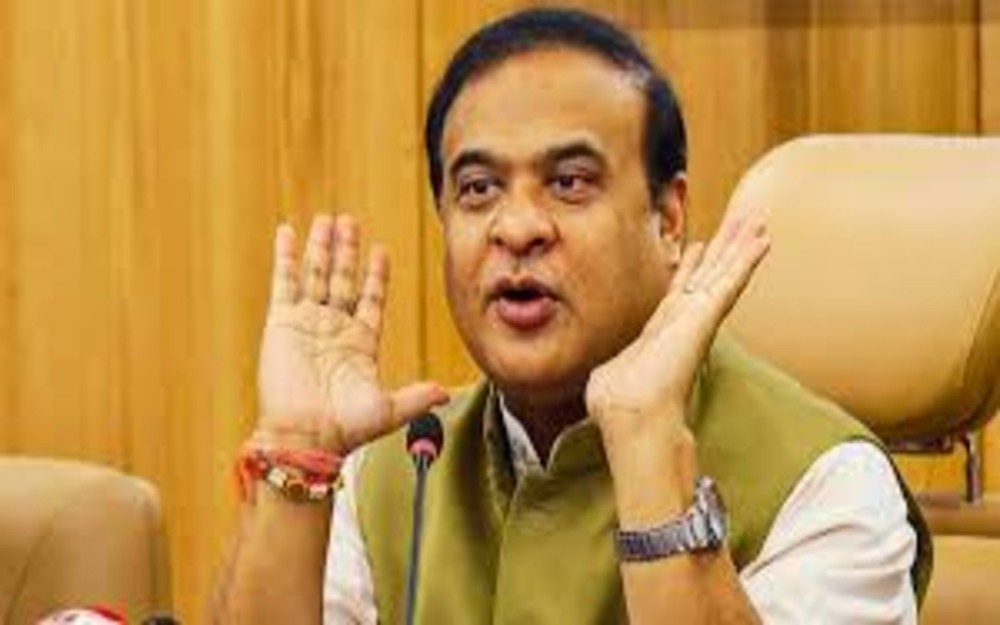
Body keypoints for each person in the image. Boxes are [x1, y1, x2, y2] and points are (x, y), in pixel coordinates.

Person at [214, 8, 930, 624]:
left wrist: (647, 438)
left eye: (569, 182)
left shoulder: (825, 481)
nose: (518, 226)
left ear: (668, 218)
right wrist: (297, 452)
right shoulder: (395, 474)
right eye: (478, 188)